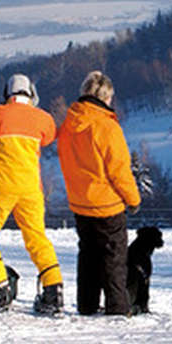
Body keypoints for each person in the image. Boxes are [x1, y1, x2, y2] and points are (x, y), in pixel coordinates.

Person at [0, 74, 62, 314]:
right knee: (37, 238)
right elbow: (50, 137)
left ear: (7, 93)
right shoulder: (43, 118)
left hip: (0, 186)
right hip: (31, 189)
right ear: (31, 93)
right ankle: (53, 291)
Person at [58, 70, 142, 316]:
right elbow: (119, 170)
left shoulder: (68, 125)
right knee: (114, 259)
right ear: (106, 97)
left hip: (79, 202)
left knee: (87, 256)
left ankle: (87, 304)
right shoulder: (107, 126)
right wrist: (133, 199)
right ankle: (117, 309)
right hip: (107, 205)